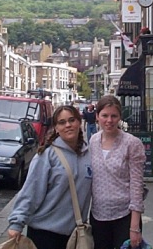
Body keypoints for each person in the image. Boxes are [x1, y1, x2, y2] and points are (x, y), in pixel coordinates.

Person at [7, 105, 92, 249]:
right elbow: (31, 190)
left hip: (76, 236)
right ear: (56, 128)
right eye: (62, 122)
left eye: (72, 120)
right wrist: (17, 222)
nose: (68, 125)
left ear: (79, 122)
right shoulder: (47, 155)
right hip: (45, 234)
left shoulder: (89, 155)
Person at [89, 95, 146, 249]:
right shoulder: (93, 141)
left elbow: (136, 185)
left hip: (124, 216)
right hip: (98, 216)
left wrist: (134, 226)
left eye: (114, 116)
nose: (109, 120)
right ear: (97, 116)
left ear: (120, 117)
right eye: (105, 115)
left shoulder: (132, 143)